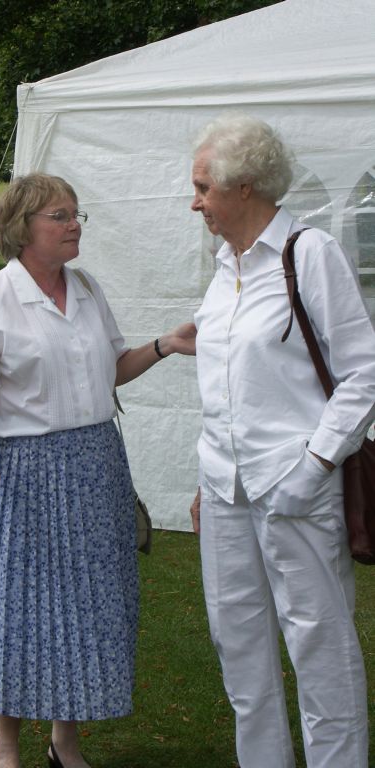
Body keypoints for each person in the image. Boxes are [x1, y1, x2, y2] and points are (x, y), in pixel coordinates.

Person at [0, 172, 195, 768]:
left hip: (94, 464)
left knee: (85, 604)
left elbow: (111, 370)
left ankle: (65, 743)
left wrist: (164, 344)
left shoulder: (85, 288)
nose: (74, 224)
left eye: (76, 213)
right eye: (59, 215)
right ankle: (5, 746)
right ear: (21, 227)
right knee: (19, 605)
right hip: (21, 473)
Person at [188, 113, 375, 768]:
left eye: (203, 187)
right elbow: (228, 386)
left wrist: (314, 465)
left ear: (244, 187)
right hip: (227, 489)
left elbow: (364, 372)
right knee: (239, 652)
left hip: (297, 486)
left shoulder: (309, 253)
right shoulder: (224, 265)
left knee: (321, 649)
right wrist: (210, 478)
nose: (195, 202)